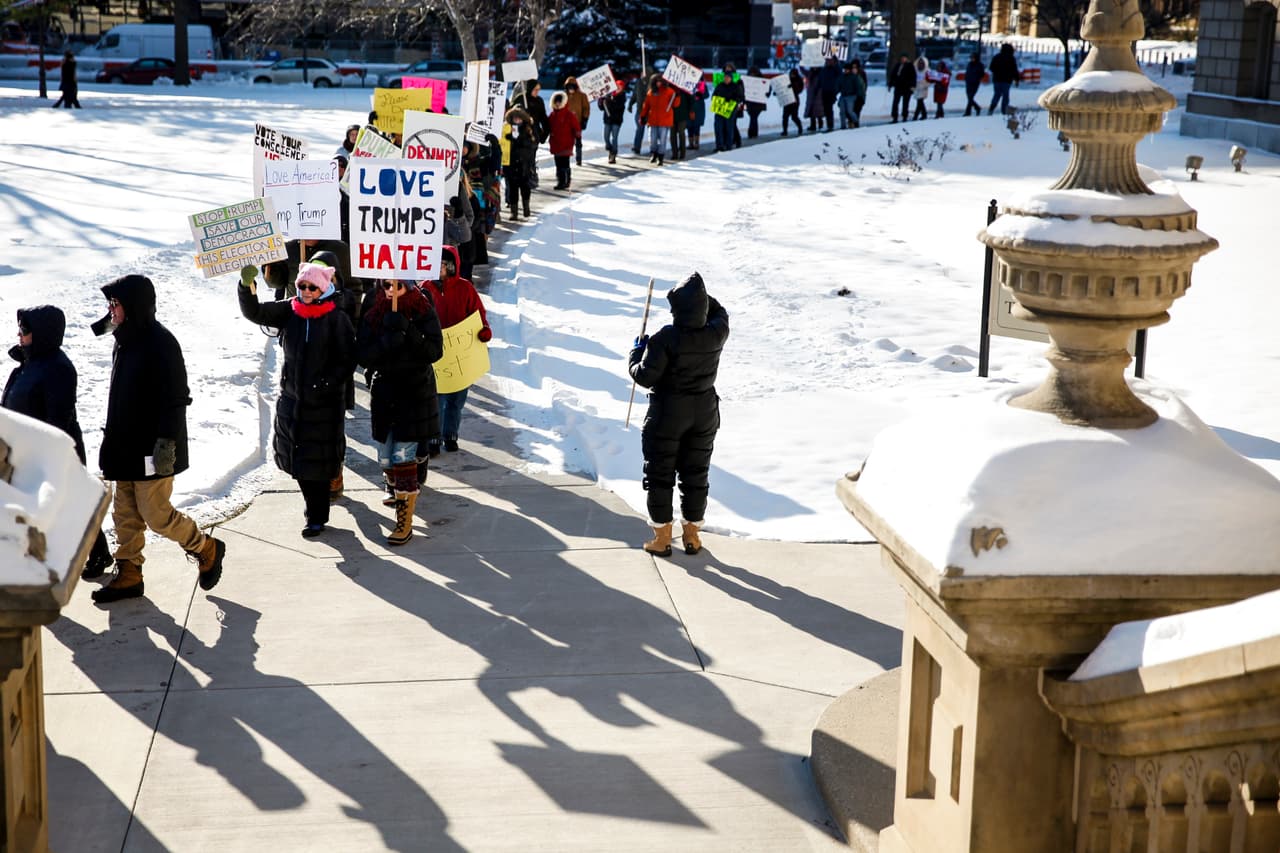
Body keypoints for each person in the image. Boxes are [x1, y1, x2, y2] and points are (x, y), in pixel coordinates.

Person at [89, 275, 226, 602]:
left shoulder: (161, 342)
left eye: (116, 304)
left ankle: (205, 546)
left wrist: (167, 444)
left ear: (133, 305)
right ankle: (130, 572)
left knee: (155, 513)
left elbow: (176, 398)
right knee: (125, 513)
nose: (111, 310)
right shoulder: (123, 338)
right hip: (125, 445)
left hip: (153, 447)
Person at [238, 261, 356, 538]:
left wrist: (325, 384)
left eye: (312, 287)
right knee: (299, 462)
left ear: (323, 289)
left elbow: (347, 360)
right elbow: (256, 312)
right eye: (302, 285)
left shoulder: (337, 319)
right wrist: (247, 287)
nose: (304, 291)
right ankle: (313, 507)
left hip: (324, 404)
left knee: (318, 464)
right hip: (293, 400)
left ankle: (316, 515)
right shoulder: (290, 310)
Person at [3, 305, 113, 579]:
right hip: (23, 452)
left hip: (49, 454)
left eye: (25, 329)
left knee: (65, 509)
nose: (19, 334)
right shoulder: (26, 364)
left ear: (42, 333)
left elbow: (58, 421)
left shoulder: (58, 369)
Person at [628, 273, 729, 557]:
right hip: (705, 412)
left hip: (668, 415)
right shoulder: (717, 331)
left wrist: (636, 355)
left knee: (660, 475)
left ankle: (661, 538)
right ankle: (692, 536)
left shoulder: (665, 339)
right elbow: (720, 311)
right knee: (696, 474)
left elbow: (645, 377)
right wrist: (699, 297)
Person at [357, 278, 443, 545]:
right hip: (385, 394)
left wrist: (408, 331)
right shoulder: (375, 309)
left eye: (397, 286)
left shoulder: (422, 308)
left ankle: (403, 523)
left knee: (402, 456)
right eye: (386, 285)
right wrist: (386, 341)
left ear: (409, 286)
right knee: (385, 459)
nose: (391, 291)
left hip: (414, 394)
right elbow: (363, 355)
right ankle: (401, 485)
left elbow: (434, 351)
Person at [422, 246, 492, 453]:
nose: (441, 268)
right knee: (436, 397)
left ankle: (450, 434)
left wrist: (484, 330)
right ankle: (433, 438)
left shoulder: (465, 288)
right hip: (437, 353)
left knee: (457, 398)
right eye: (438, 264)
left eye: (444, 264)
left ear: (452, 266)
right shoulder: (426, 288)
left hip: (461, 354)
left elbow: (478, 313)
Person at [503, 106, 537, 220]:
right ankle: (514, 212)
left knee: (525, 188)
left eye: (519, 119)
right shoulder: (507, 130)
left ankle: (526, 207)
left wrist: (521, 140)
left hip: (524, 165)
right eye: (514, 119)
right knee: (512, 189)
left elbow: (532, 145)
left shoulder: (528, 130)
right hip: (511, 165)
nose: (517, 121)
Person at [548, 91, 582, 189]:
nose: (558, 104)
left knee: (564, 163)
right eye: (556, 102)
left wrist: (578, 138)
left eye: (559, 102)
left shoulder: (569, 114)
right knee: (558, 164)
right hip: (556, 142)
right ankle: (561, 180)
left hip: (566, 142)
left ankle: (565, 180)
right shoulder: (552, 115)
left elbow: (576, 127)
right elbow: (548, 126)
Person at [640, 75, 675, 165]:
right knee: (652, 140)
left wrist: (677, 96)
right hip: (653, 120)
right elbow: (646, 105)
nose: (658, 83)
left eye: (660, 81)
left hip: (665, 120)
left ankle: (661, 157)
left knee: (662, 140)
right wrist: (643, 116)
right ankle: (654, 154)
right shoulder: (651, 92)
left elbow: (676, 104)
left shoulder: (670, 91)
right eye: (656, 81)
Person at [711, 64, 744, 152]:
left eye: (728, 77)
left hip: (730, 111)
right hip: (719, 109)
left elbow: (741, 97)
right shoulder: (719, 86)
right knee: (718, 128)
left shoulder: (735, 86)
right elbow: (714, 95)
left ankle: (729, 146)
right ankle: (719, 146)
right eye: (725, 77)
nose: (726, 79)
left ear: (731, 78)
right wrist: (715, 100)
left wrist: (732, 100)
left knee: (729, 128)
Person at [563, 76, 591, 166]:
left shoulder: (582, 96)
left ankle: (579, 158)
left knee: (578, 141)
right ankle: (566, 157)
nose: (571, 89)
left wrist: (585, 119)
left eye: (572, 87)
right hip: (566, 122)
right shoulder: (564, 96)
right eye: (569, 87)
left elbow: (586, 108)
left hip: (578, 122)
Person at [598, 78, 628, 164]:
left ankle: (613, 154)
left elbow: (616, 106)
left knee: (614, 138)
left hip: (616, 120)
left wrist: (608, 100)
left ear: (622, 88)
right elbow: (602, 108)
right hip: (607, 120)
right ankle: (610, 148)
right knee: (606, 136)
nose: (618, 88)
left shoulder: (622, 97)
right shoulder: (608, 95)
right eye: (617, 86)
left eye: (620, 87)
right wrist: (601, 101)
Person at [988, 43, 1020, 115]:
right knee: (1005, 96)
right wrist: (1017, 79)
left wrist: (997, 72)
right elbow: (1014, 70)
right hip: (1007, 80)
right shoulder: (1011, 58)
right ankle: (1004, 111)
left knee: (997, 94)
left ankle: (991, 108)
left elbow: (991, 67)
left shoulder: (997, 57)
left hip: (997, 79)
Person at [888, 54, 916, 123]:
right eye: (902, 58)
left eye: (904, 58)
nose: (903, 59)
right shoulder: (897, 65)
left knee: (905, 103)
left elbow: (913, 77)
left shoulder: (910, 66)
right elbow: (893, 75)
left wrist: (912, 86)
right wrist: (890, 84)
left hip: (906, 87)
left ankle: (904, 116)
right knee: (895, 102)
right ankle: (895, 116)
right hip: (898, 86)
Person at [837, 61, 865, 129]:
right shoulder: (842, 77)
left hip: (851, 96)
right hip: (843, 95)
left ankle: (855, 121)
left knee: (850, 111)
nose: (845, 71)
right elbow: (838, 86)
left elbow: (858, 87)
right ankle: (843, 126)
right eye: (845, 69)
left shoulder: (854, 77)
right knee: (842, 112)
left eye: (847, 69)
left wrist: (859, 96)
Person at [628, 72, 649, 155]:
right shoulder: (638, 83)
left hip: (649, 110)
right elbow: (634, 95)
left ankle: (655, 147)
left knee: (651, 130)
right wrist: (630, 104)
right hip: (639, 110)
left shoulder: (650, 83)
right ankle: (637, 147)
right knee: (639, 129)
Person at [819, 56, 841, 132]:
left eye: (830, 60)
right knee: (826, 108)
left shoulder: (836, 69)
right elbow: (821, 78)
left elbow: (839, 76)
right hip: (824, 91)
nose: (828, 61)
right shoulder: (824, 70)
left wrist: (836, 90)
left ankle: (830, 125)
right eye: (827, 60)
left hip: (831, 91)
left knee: (829, 108)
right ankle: (829, 124)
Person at [744, 66, 767, 139]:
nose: (752, 75)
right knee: (753, 117)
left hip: (758, 102)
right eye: (751, 73)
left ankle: (751, 133)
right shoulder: (746, 80)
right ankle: (753, 133)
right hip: (749, 102)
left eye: (754, 73)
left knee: (753, 117)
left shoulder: (762, 80)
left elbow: (767, 89)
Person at [780, 68, 804, 136]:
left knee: (794, 117)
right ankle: (785, 131)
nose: (792, 75)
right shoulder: (787, 80)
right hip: (787, 100)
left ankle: (800, 128)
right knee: (785, 117)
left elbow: (800, 90)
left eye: (793, 74)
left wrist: (792, 86)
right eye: (791, 74)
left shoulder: (799, 80)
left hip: (794, 101)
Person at [964, 52, 986, 116]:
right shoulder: (969, 64)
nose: (971, 59)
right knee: (969, 98)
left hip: (975, 83)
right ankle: (977, 108)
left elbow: (982, 74)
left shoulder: (979, 65)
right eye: (971, 58)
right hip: (968, 82)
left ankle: (968, 112)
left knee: (970, 97)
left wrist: (976, 78)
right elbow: (967, 72)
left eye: (973, 58)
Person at [688, 80, 708, 149]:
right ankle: (691, 143)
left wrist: (701, 95)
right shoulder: (687, 82)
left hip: (699, 108)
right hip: (689, 107)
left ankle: (696, 143)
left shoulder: (702, 84)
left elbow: (707, 95)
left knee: (697, 126)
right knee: (689, 126)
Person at [912, 56, 931, 120]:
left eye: (922, 63)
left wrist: (926, 85)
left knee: (920, 101)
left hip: (923, 88)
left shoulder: (927, 71)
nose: (920, 64)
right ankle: (923, 114)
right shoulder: (915, 69)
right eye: (919, 62)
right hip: (917, 87)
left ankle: (917, 115)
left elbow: (929, 80)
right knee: (919, 102)